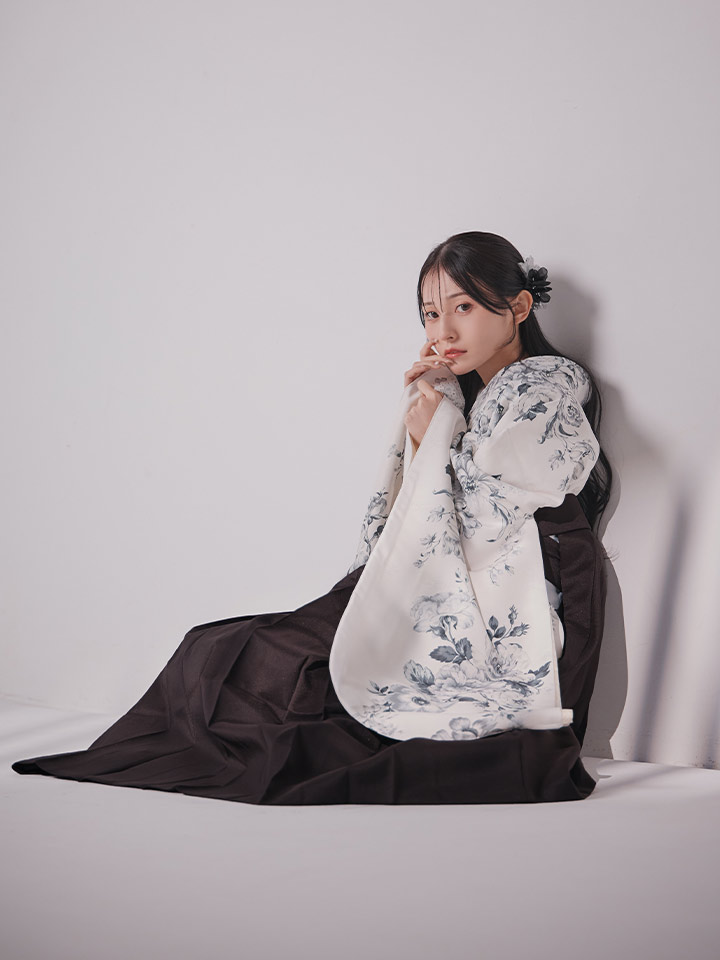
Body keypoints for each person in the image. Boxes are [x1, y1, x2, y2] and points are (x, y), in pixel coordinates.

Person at [11, 230, 612, 804]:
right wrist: (435, 417)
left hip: (521, 575)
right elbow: (436, 495)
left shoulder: (546, 388)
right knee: (216, 648)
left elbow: (497, 511)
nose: (444, 330)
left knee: (283, 672)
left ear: (518, 307)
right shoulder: (474, 391)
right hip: (451, 567)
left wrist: (438, 434)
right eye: (431, 314)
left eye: (464, 307)